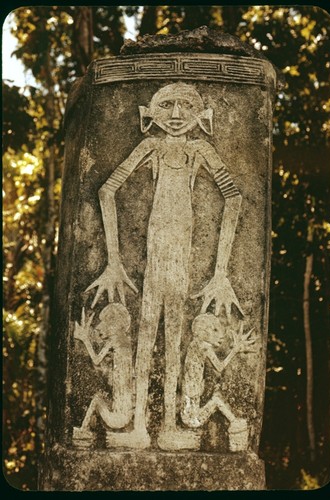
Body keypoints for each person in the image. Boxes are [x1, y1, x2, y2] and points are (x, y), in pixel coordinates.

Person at [86, 83, 243, 450]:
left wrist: (221, 272)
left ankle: (171, 425)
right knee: (144, 341)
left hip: (181, 263)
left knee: (174, 343)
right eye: (167, 106)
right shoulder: (150, 146)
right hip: (155, 261)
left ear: (199, 114)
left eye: (185, 106)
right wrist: (113, 262)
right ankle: (139, 425)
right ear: (151, 113)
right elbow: (107, 190)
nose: (175, 115)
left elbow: (233, 198)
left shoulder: (200, 149)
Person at [181, 313, 255, 451]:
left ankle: (234, 422)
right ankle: (234, 422)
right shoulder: (204, 346)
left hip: (192, 396)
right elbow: (219, 367)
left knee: (215, 400)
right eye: (214, 330)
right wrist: (234, 350)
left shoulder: (194, 345)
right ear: (202, 332)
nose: (220, 334)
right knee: (215, 401)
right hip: (192, 412)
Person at [72, 303, 133, 446]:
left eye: (106, 322)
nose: (101, 327)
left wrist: (85, 339)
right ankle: (83, 430)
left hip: (117, 419)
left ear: (115, 324)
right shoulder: (126, 342)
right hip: (126, 412)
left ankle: (83, 429)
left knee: (96, 400)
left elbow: (96, 360)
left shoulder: (114, 340)